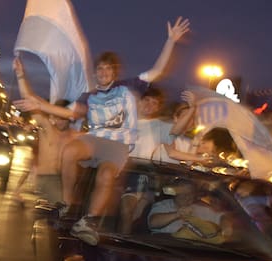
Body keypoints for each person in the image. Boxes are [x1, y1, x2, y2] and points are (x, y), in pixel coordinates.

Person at [14, 17, 190, 246]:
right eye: (100, 68)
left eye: (108, 68)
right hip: (95, 139)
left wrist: (171, 41)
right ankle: (67, 203)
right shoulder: (90, 96)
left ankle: (89, 221)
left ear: (114, 73)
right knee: (69, 151)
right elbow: (68, 114)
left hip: (117, 145)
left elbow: (156, 71)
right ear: (96, 73)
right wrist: (38, 104)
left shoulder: (128, 87)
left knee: (106, 175)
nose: (104, 72)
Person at [13, 58, 81, 205]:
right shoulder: (48, 129)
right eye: (57, 117)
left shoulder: (75, 136)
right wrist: (20, 75)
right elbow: (29, 99)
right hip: (47, 180)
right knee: (62, 208)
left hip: (65, 182)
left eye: (64, 118)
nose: (60, 121)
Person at [119, 86, 173, 235]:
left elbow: (180, 128)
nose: (149, 105)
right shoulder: (124, 120)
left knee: (127, 211)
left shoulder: (160, 126)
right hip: (116, 170)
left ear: (158, 108)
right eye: (147, 100)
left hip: (138, 172)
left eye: (155, 103)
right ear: (140, 101)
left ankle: (123, 249)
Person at [147, 178, 233, 244]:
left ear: (194, 195)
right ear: (174, 193)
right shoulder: (163, 205)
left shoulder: (199, 208)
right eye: (183, 193)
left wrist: (226, 227)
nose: (187, 197)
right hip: (166, 248)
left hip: (196, 251)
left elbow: (222, 216)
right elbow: (153, 223)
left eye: (190, 194)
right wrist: (177, 214)